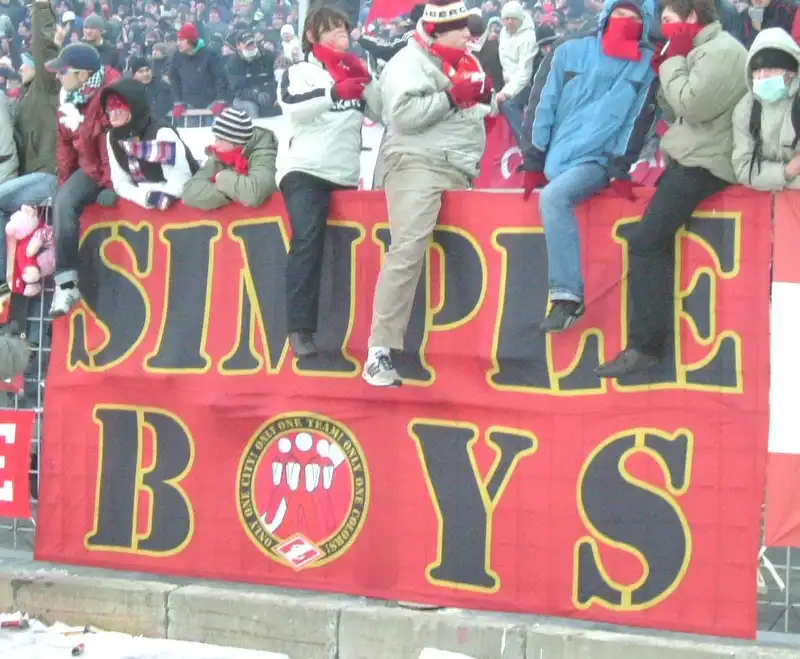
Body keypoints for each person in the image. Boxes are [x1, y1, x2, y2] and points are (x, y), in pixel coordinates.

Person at [596, 0, 748, 377]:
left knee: (646, 241)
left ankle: (645, 346)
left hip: (707, 160)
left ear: (691, 16)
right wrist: (668, 65)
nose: (662, 29)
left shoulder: (722, 51)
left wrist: (672, 62)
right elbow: (672, 109)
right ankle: (649, 342)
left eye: (667, 20)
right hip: (692, 155)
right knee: (653, 239)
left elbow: (692, 106)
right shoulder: (699, 49)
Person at [362, 0, 492, 387]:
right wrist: (453, 97)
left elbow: (470, 110)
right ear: (436, 31)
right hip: (418, 164)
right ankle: (378, 352)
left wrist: (485, 102)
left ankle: (465, 353)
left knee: (469, 255)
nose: (468, 34)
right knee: (407, 250)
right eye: (460, 28)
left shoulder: (465, 62)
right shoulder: (408, 61)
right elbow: (401, 116)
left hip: (459, 168)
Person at [518, 0, 658, 333]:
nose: (626, 21)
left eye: (635, 18)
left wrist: (619, 165)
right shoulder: (569, 51)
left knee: (554, 198)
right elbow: (543, 103)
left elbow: (637, 119)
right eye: (620, 14)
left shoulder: (648, 65)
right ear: (607, 15)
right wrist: (534, 159)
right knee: (552, 195)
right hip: (558, 156)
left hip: (597, 160)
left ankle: (567, 297)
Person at [277, 6, 380, 358]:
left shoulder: (356, 67)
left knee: (344, 249)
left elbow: (382, 113)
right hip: (304, 169)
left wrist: (367, 80)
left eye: (344, 28)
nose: (341, 34)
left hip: (344, 173)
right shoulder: (299, 71)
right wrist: (335, 93)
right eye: (332, 28)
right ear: (311, 35)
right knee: (307, 240)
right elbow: (291, 105)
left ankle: (350, 327)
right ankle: (299, 328)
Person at [45, 42, 122, 317]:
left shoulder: (111, 96)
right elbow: (65, 147)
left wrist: (111, 184)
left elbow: (113, 146)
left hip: (108, 170)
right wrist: (66, 183)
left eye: (62, 71)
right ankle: (66, 282)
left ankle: (66, 285)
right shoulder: (69, 96)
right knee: (62, 199)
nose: (57, 76)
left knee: (64, 202)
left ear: (82, 75)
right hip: (88, 168)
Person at [0, 0, 60, 293]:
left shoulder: (46, 89)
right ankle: (9, 275)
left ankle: (2, 280)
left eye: (27, 62)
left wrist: (41, 8)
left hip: (49, 177)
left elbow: (45, 49)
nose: (21, 66)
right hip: (31, 179)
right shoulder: (24, 99)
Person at [101, 79, 196, 210]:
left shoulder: (161, 133)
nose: (113, 117)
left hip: (179, 202)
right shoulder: (113, 137)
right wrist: (145, 197)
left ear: (134, 109)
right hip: (145, 199)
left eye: (119, 111)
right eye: (109, 111)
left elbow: (180, 182)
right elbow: (120, 182)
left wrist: (157, 197)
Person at [732, 28, 800, 190]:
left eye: (770, 69)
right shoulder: (746, 109)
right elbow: (744, 168)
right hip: (766, 198)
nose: (762, 76)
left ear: (791, 72)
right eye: (756, 70)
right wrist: (786, 172)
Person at [183, 107, 278, 210]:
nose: (215, 143)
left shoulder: (264, 152)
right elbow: (189, 192)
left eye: (220, 139)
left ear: (236, 140)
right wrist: (233, 193)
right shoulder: (221, 155)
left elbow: (254, 194)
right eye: (215, 138)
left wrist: (221, 177)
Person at [170, 22, 230, 123]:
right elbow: (174, 80)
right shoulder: (177, 57)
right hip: (189, 106)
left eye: (181, 40)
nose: (178, 43)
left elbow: (220, 78)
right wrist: (178, 102)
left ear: (191, 40)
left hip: (210, 106)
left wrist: (221, 100)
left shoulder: (210, 55)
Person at [497, 1, 538, 145]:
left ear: (520, 18)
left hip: (525, 84)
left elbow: (524, 71)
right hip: (508, 81)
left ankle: (526, 143)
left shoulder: (528, 37)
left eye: (513, 18)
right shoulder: (503, 32)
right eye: (506, 18)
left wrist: (506, 92)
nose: (510, 22)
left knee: (508, 105)